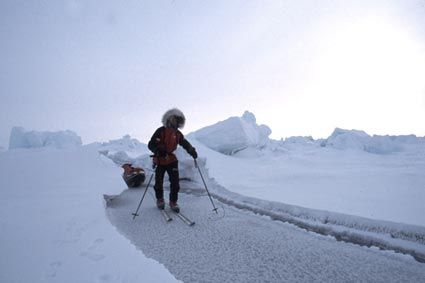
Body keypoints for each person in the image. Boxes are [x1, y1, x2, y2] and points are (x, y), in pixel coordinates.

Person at [148, 108, 197, 213]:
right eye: (173, 118)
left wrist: (191, 150)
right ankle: (160, 199)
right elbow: (150, 144)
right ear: (169, 119)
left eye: (177, 119)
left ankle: (173, 202)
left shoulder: (178, 134)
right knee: (158, 182)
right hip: (160, 160)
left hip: (171, 160)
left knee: (175, 183)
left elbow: (184, 143)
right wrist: (157, 150)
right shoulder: (161, 130)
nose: (175, 121)